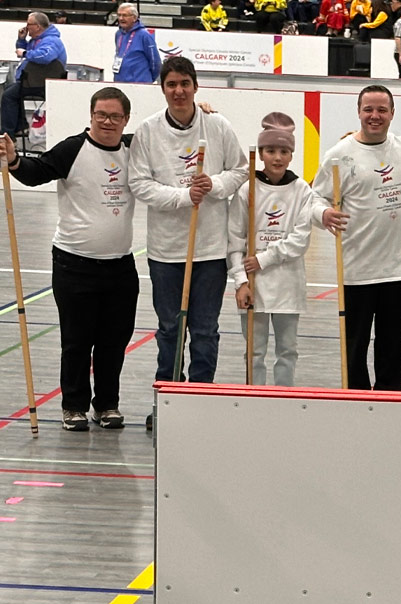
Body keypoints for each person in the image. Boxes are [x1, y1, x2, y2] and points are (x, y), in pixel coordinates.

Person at [1, 87, 137, 431]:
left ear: (126, 120)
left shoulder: (136, 148)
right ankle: (73, 405)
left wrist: (203, 111)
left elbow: (169, 136)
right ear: (91, 116)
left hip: (121, 266)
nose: (107, 121)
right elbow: (37, 171)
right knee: (77, 341)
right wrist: (15, 160)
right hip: (74, 265)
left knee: (113, 342)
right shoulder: (72, 149)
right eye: (101, 115)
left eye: (115, 116)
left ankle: (107, 405)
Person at [127, 56, 247, 427]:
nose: (178, 91)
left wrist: (215, 185)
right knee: (168, 329)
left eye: (185, 83)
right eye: (171, 84)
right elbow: (139, 183)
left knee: (206, 330)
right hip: (166, 251)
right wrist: (183, 197)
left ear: (196, 86)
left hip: (209, 250)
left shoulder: (218, 125)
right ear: (162, 88)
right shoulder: (147, 131)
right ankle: (167, 400)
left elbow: (240, 169)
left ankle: (200, 398)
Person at [310, 86, 401, 391]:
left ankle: (389, 403)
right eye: (369, 109)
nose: (375, 116)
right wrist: (323, 214)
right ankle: (357, 402)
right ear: (359, 112)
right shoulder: (340, 155)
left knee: (393, 345)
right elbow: (314, 198)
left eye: (382, 110)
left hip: (399, 269)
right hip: (357, 270)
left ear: (392, 113)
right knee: (354, 346)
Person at [227, 113, 312, 387]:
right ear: (261, 153)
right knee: (254, 352)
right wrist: (241, 282)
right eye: (271, 150)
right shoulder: (246, 190)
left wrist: (264, 258)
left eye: (284, 151)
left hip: (288, 283)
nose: (277, 157)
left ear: (291, 155)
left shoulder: (302, 190)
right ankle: (256, 397)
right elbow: (235, 241)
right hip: (254, 286)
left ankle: (283, 397)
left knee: (288, 350)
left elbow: (300, 239)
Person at [3, 13, 66, 139]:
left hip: (41, 82)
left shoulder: (51, 41)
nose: (26, 27)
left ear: (37, 27)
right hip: (33, 81)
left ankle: (7, 135)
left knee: (8, 96)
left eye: (29, 24)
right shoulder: (37, 40)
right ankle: (20, 127)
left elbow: (45, 56)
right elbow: (27, 54)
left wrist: (25, 52)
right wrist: (21, 40)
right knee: (11, 91)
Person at [112, 4, 160, 84]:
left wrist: (149, 79)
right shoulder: (118, 34)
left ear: (134, 18)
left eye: (124, 15)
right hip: (120, 82)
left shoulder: (144, 35)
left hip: (140, 83)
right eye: (119, 15)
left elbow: (155, 61)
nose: (121, 18)